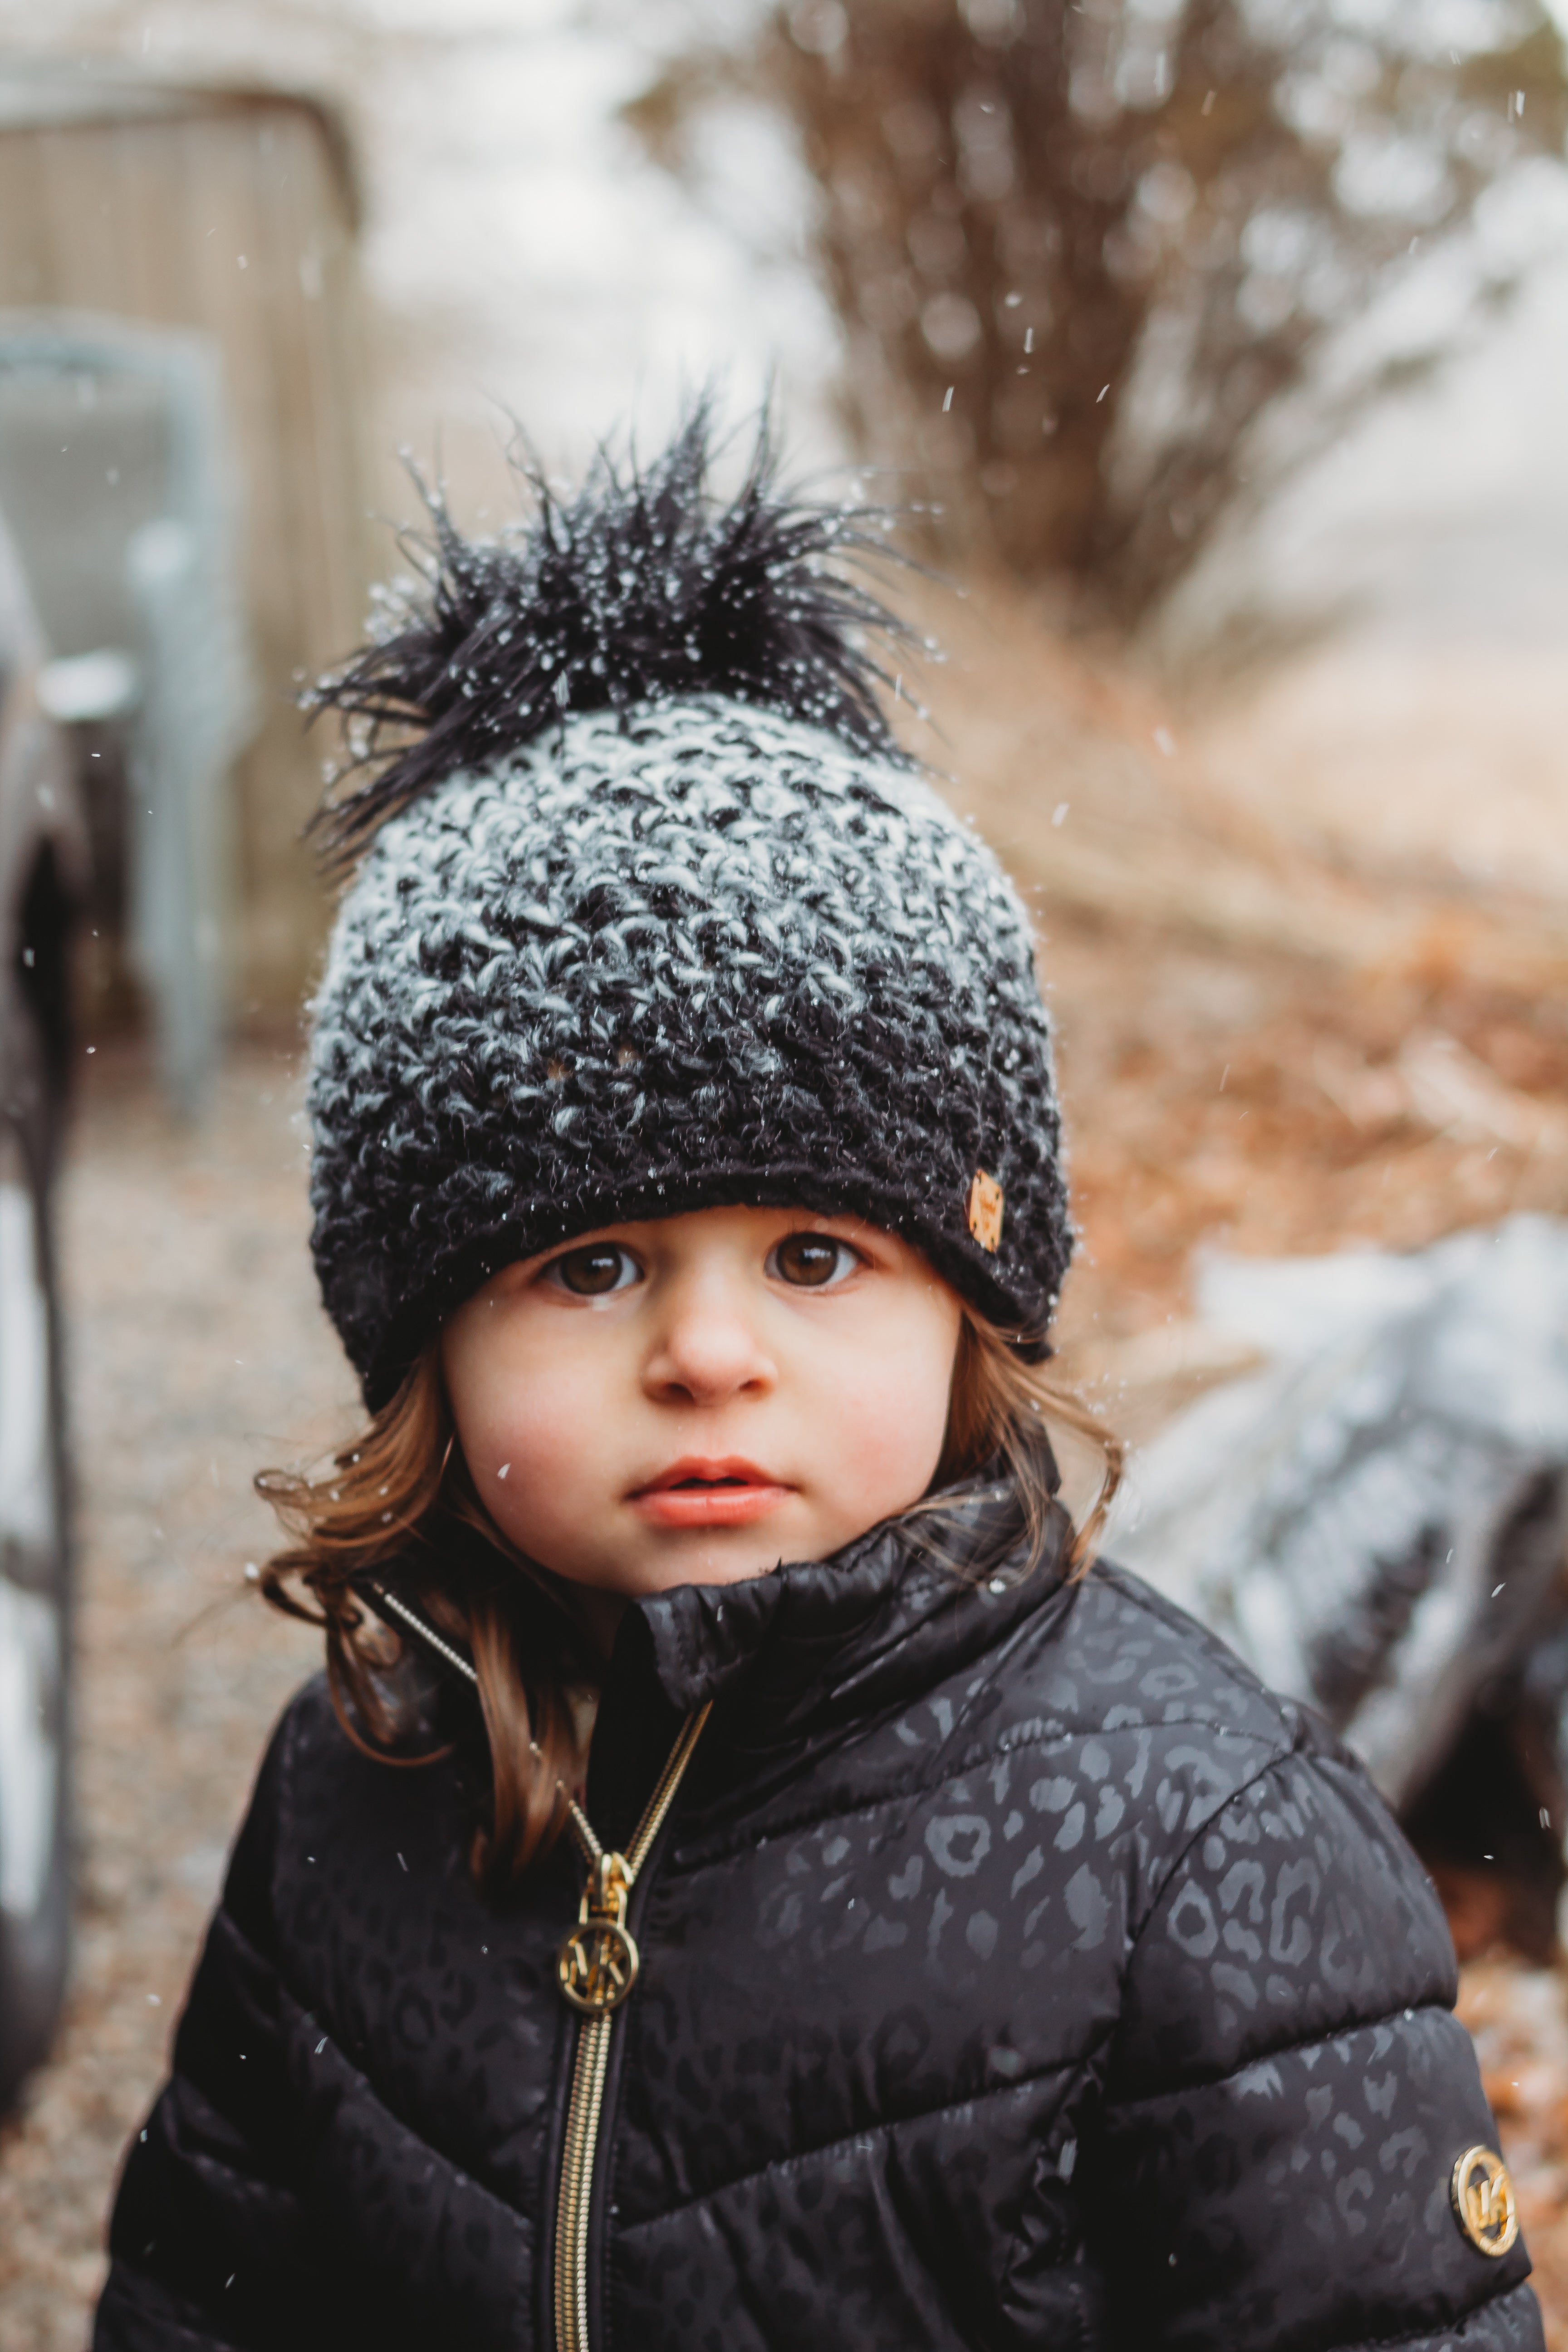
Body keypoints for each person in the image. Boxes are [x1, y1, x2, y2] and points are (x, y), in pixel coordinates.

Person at [95, 412, 1538, 2352]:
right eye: (591, 1267)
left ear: (972, 1302)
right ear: (421, 1333)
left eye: (814, 1258)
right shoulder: (358, 1781)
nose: (707, 1355)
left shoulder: (1196, 1847)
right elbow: (211, 2289)